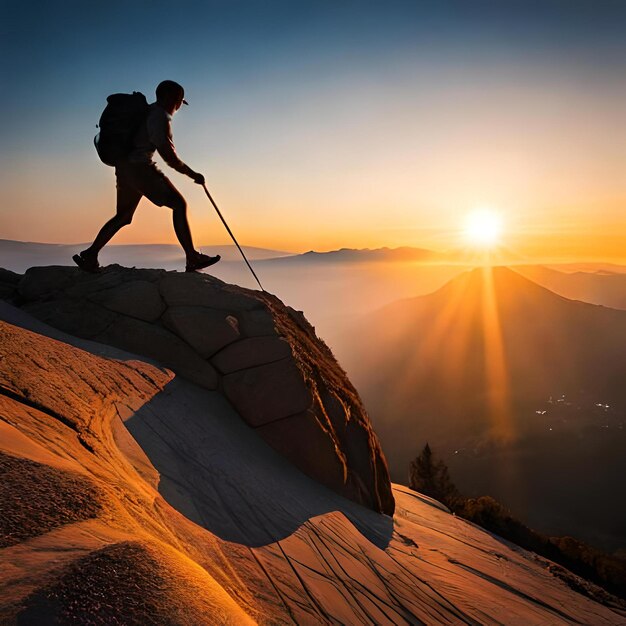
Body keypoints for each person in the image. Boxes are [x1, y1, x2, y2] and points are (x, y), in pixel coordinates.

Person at [73, 80, 220, 273]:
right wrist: (193, 174)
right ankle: (192, 257)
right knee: (178, 204)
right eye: (178, 101)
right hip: (140, 168)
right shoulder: (159, 116)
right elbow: (168, 154)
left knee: (124, 216)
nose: (178, 107)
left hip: (124, 167)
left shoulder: (147, 111)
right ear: (172, 99)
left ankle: (91, 255)